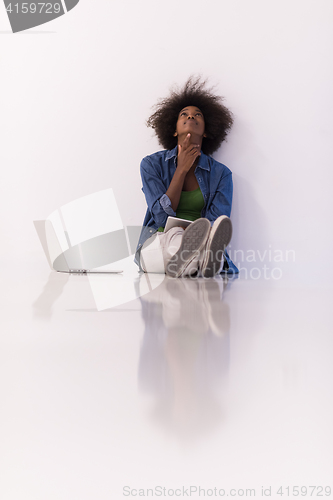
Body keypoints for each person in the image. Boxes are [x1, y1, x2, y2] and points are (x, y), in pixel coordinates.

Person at [135, 77, 239, 278]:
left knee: (194, 241)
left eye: (197, 115)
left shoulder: (221, 174)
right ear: (174, 130)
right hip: (161, 238)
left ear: (207, 132)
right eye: (185, 114)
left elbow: (217, 222)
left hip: (201, 238)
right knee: (175, 237)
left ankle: (195, 257)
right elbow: (161, 218)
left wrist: (198, 233)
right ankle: (203, 260)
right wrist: (181, 170)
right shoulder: (151, 165)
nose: (191, 117)